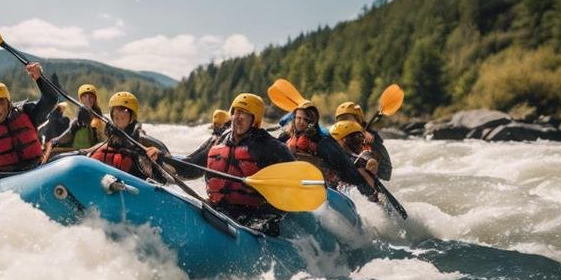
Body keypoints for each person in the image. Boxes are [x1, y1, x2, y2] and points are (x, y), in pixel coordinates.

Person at [171, 93, 294, 235]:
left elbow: (291, 183)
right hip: (219, 210)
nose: (238, 117)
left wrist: (259, 191)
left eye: (245, 114)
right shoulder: (219, 142)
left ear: (255, 120)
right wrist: (162, 159)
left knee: (265, 223)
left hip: (254, 216)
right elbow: (192, 166)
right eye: (237, 112)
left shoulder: (270, 146)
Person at [0, 62, 58, 197]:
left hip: (36, 168)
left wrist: (40, 78)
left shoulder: (27, 114)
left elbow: (51, 100)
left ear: (8, 104)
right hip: (4, 179)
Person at [278, 100, 376, 200]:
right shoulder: (287, 135)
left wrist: (367, 190)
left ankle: (369, 183)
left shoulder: (323, 142)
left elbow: (344, 168)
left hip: (331, 176)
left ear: (311, 122)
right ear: (294, 118)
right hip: (301, 179)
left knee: (353, 174)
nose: (301, 122)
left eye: (305, 119)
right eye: (298, 118)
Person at [87, 91, 171, 183]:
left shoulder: (139, 134)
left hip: (135, 169)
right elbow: (102, 141)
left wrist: (157, 152)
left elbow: (164, 151)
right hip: (113, 169)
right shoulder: (110, 130)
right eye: (116, 117)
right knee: (99, 154)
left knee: (122, 159)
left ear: (131, 118)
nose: (119, 121)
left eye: (123, 118)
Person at [334, 101, 393, 180]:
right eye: (342, 121)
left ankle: (369, 172)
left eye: (348, 120)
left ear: (359, 120)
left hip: (379, 170)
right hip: (353, 169)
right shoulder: (339, 135)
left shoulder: (370, 135)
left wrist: (372, 142)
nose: (346, 124)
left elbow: (386, 173)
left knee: (365, 155)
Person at [51, 83, 106, 150]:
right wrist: (57, 140)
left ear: (95, 99)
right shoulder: (77, 120)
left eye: (91, 96)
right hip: (79, 152)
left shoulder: (100, 118)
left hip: (96, 151)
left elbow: (103, 137)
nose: (88, 99)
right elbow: (69, 134)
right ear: (81, 99)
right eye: (85, 96)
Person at [329, 120, 379, 192]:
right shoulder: (332, 155)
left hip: (355, 190)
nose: (360, 141)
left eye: (360, 137)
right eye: (355, 138)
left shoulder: (361, 158)